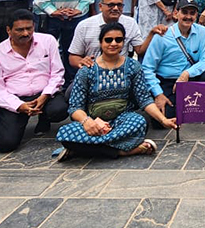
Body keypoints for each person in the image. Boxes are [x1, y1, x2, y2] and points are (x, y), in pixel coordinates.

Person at [55, 23, 159, 159]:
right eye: (108, 40)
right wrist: (87, 122)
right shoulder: (87, 69)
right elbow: (75, 107)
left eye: (118, 40)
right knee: (66, 133)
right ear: (100, 42)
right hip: (93, 122)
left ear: (123, 42)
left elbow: (144, 98)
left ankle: (83, 148)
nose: (113, 43)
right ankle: (124, 150)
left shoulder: (133, 66)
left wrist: (164, 120)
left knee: (139, 122)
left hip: (122, 120)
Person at [0, 10, 69, 153]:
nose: (26, 33)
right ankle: (11, 121)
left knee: (59, 110)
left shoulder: (48, 41)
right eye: (20, 30)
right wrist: (19, 106)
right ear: (8, 30)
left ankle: (44, 118)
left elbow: (57, 72)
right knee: (5, 143)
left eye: (29, 28)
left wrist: (45, 95)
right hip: (15, 98)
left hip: (45, 93)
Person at [142, 0, 205, 120]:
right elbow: (147, 68)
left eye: (192, 13)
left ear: (196, 15)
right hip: (168, 81)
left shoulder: (203, 32)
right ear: (176, 13)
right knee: (162, 119)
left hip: (189, 79)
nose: (188, 17)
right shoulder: (162, 36)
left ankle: (197, 107)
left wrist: (186, 74)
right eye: (185, 12)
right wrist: (158, 94)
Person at [68, 0, 153, 70]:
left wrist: (152, 34)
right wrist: (82, 62)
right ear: (100, 7)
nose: (115, 8)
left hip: (121, 72)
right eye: (111, 5)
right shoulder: (85, 25)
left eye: (119, 5)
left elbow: (140, 50)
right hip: (92, 71)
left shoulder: (130, 23)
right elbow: (73, 57)